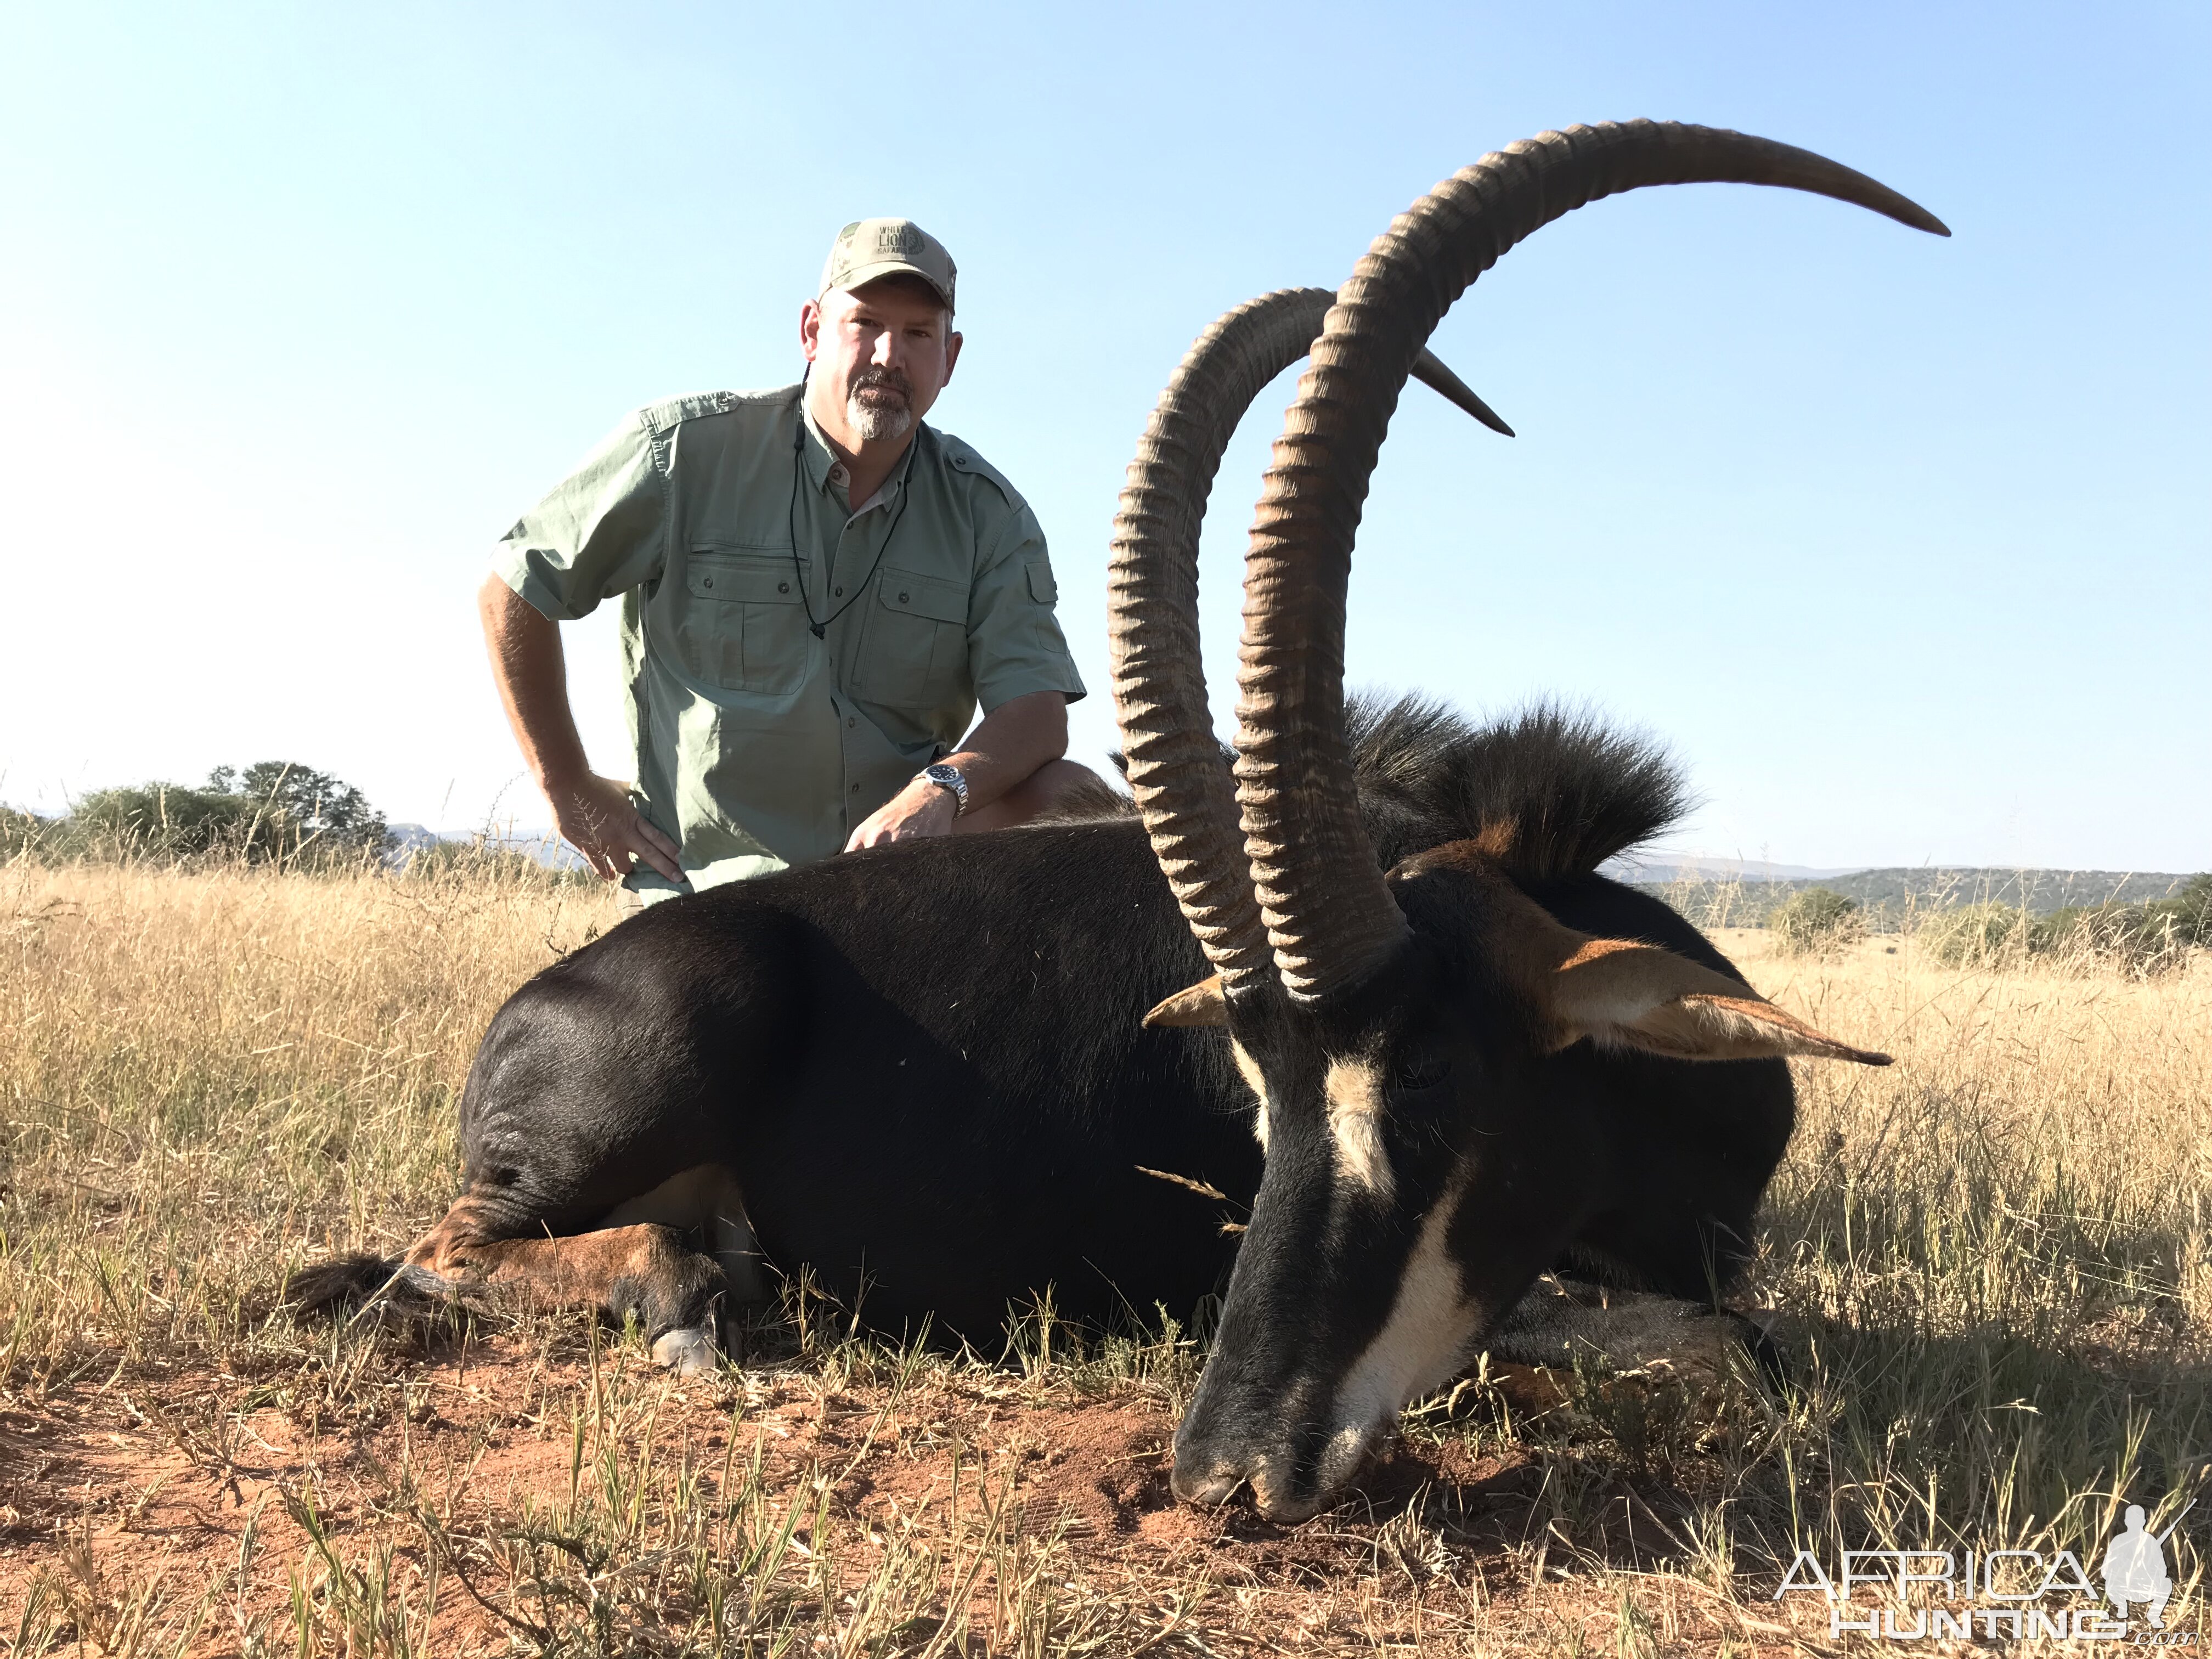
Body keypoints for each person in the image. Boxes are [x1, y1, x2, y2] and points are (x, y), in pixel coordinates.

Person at [478, 218, 1097, 902]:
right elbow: (515, 589)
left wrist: (939, 789)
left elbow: (1037, 713)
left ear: (949, 359)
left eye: (919, 334)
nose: (890, 356)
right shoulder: (684, 455)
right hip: (715, 891)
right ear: (811, 331)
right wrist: (566, 783)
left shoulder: (989, 514)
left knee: (1076, 803)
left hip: (896, 881)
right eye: (864, 323)